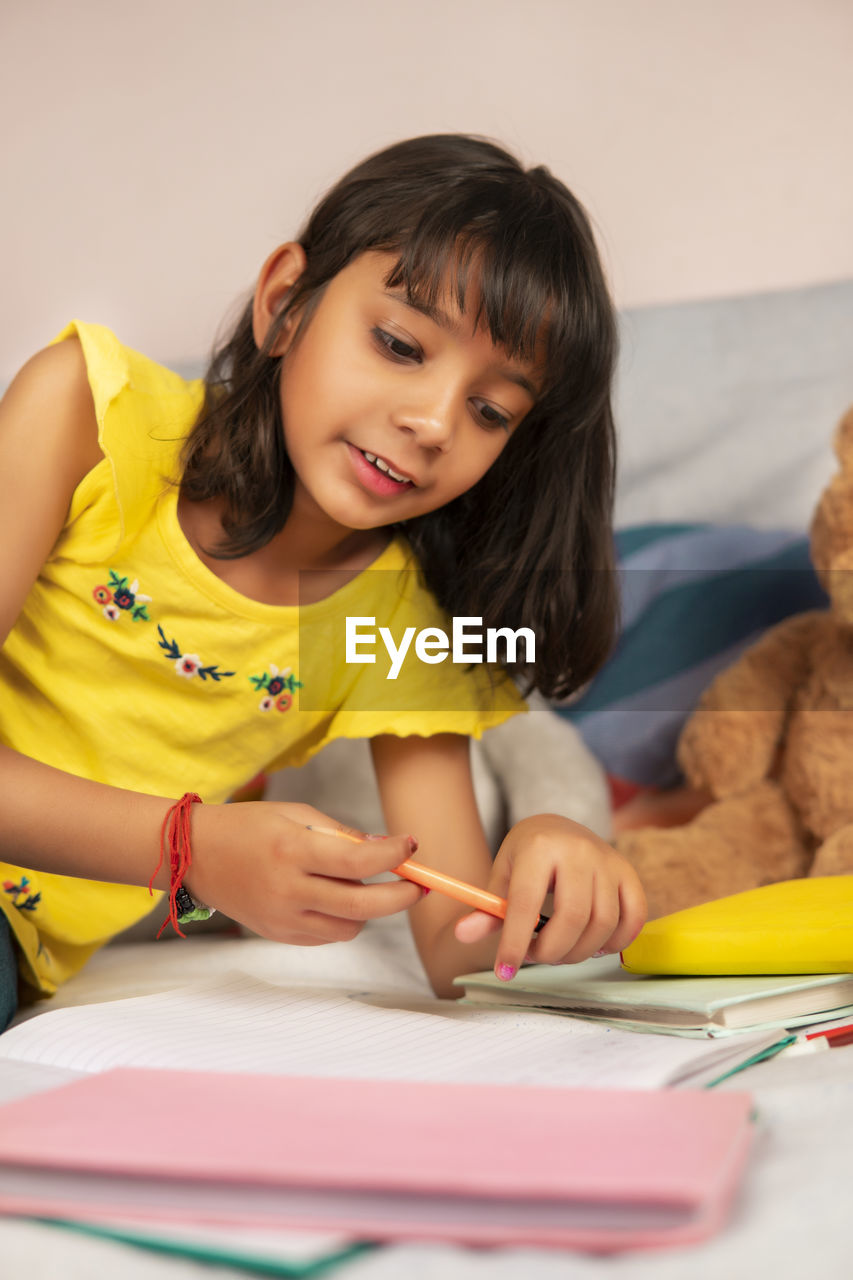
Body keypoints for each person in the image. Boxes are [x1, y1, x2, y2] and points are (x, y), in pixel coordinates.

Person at [0, 133, 645, 1029]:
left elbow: (456, 956)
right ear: (285, 304)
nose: (430, 422)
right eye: (398, 343)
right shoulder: (85, 414)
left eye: (490, 410)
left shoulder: (400, 625)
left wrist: (545, 873)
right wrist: (190, 849)